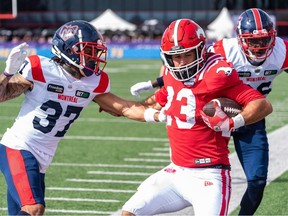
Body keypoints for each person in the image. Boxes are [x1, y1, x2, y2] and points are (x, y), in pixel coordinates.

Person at [129, 8, 288, 215]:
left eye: (264, 40)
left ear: (273, 37)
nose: (259, 47)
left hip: (249, 117)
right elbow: (189, 64)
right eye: (252, 41)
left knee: (257, 180)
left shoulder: (282, 50)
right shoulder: (224, 49)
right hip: (211, 114)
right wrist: (155, 83)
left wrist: (235, 121)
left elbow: (261, 106)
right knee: (193, 164)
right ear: (239, 38)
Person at [0, 20, 164, 216]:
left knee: (23, 211)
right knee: (34, 208)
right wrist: (7, 73)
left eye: (95, 51)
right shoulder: (40, 68)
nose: (94, 57)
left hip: (42, 155)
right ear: (67, 50)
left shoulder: (94, 82)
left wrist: (160, 114)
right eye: (88, 50)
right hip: (18, 147)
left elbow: (125, 108)